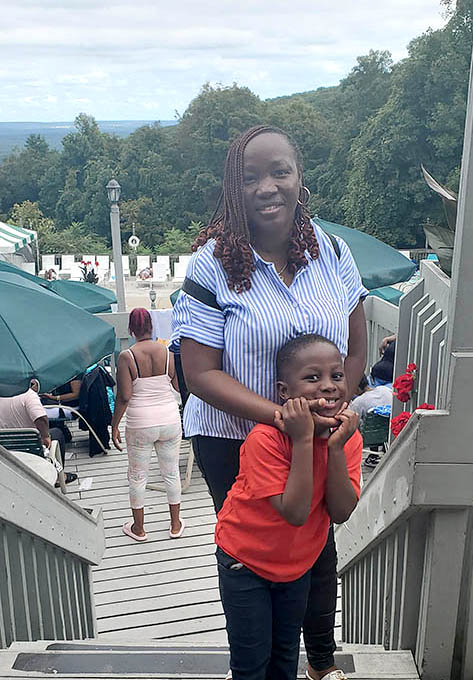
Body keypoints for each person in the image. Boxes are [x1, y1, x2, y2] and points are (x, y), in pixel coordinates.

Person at [171, 124, 368, 679]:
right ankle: (255, 664)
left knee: (318, 546)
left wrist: (332, 410)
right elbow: (200, 372)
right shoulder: (211, 263)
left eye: (280, 172)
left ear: (299, 176)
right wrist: (285, 420)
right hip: (233, 441)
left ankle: (320, 664)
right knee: (255, 557)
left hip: (318, 435)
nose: (267, 187)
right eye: (250, 177)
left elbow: (355, 348)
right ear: (233, 188)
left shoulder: (332, 251)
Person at [215, 334, 362, 680]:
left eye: (336, 375)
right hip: (245, 563)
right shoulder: (265, 439)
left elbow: (341, 512)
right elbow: (295, 513)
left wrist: (335, 448)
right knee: (251, 664)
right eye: (312, 377)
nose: (328, 386)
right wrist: (303, 438)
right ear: (284, 391)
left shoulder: (347, 438)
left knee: (285, 658)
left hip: (297, 568)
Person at [112, 308, 184, 542]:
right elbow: (177, 386)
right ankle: (175, 525)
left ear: (131, 329)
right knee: (171, 473)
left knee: (137, 477)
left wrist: (114, 425)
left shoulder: (127, 357)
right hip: (169, 419)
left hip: (140, 422)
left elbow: (124, 396)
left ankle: (139, 529)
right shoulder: (168, 352)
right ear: (151, 327)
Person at [0, 378, 78, 484]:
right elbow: (41, 418)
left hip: (5, 449)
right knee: (57, 433)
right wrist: (45, 436)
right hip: (31, 446)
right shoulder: (28, 394)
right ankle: (58, 477)